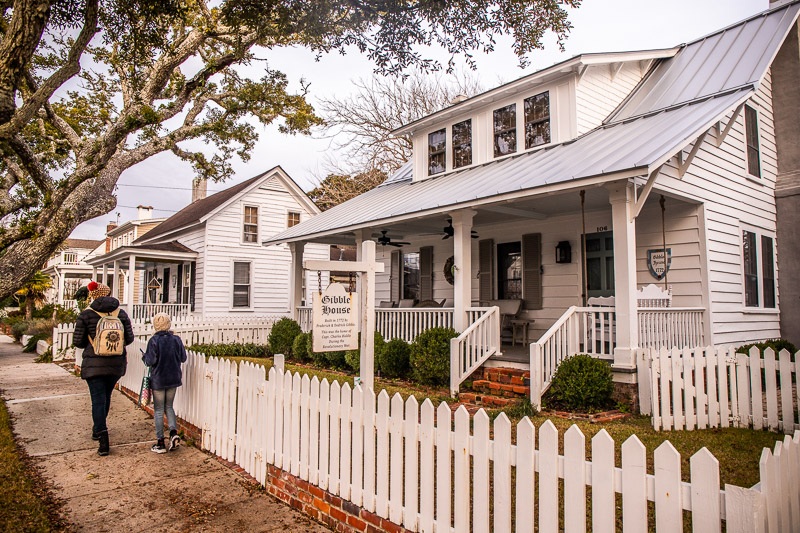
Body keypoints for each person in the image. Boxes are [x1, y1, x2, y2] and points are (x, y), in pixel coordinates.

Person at [72, 281, 135, 456]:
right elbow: (128, 339)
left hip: (94, 364)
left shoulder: (86, 315)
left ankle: (101, 436)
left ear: (93, 296)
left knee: (97, 400)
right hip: (116, 363)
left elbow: (78, 342)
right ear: (108, 294)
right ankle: (98, 427)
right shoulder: (120, 313)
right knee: (106, 396)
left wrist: (93, 342)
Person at [142, 313, 187, 453]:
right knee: (169, 407)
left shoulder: (154, 340)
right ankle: (173, 433)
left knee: (159, 410)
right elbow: (183, 358)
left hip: (158, 380)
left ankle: (160, 442)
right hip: (173, 378)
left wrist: (144, 357)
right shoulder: (176, 340)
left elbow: (150, 361)